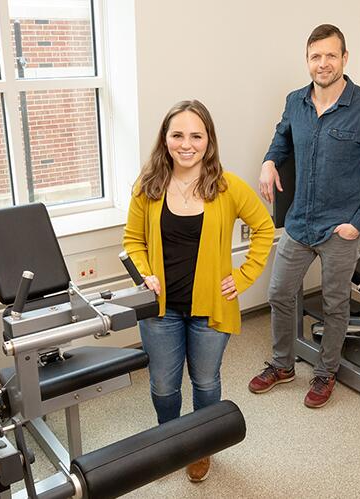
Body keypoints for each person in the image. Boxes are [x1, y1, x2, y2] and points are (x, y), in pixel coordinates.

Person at [123, 99, 274, 482]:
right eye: (177, 135)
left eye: (196, 135)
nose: (186, 144)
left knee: (206, 382)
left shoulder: (226, 186)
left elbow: (265, 230)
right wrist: (144, 275)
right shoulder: (148, 186)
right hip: (161, 311)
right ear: (165, 138)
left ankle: (202, 446)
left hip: (212, 309)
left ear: (208, 140)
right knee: (163, 384)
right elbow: (133, 241)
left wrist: (242, 278)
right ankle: (172, 441)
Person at [248, 24, 360, 408]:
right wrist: (268, 162)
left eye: (331, 55)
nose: (323, 63)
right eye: (316, 56)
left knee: (334, 304)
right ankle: (282, 365)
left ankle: (326, 372)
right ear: (307, 60)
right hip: (300, 222)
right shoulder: (295, 101)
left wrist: (358, 223)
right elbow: (281, 138)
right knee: (279, 292)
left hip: (340, 228)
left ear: (345, 59)